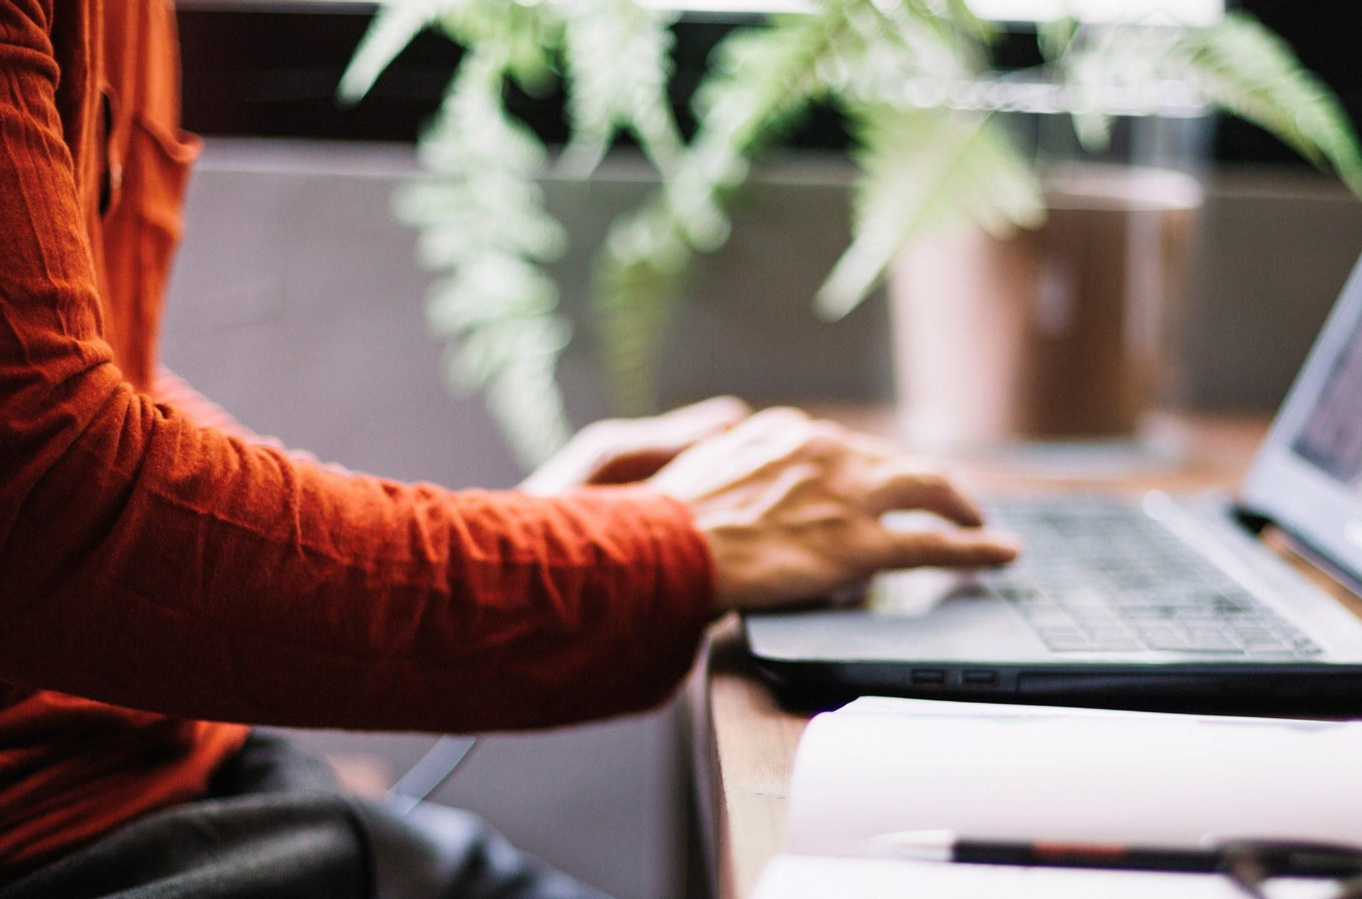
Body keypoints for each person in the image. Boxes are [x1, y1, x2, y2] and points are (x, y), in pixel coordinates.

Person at [0, 1, 1018, 896]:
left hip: (167, 772)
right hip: (69, 838)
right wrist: (630, 559)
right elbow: (52, 512)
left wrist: (524, 535)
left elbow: (85, 388)